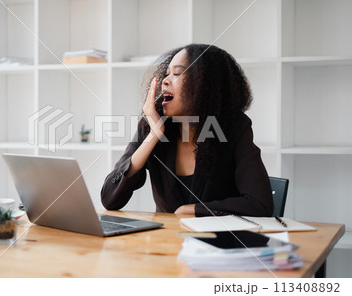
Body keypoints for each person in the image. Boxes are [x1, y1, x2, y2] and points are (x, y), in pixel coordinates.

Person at [101, 44, 273, 217]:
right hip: (166, 241)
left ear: (205, 84)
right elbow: (109, 199)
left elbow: (260, 204)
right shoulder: (152, 124)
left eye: (176, 73)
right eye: (166, 73)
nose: (165, 81)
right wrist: (153, 136)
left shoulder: (234, 127)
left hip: (216, 241)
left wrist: (194, 209)